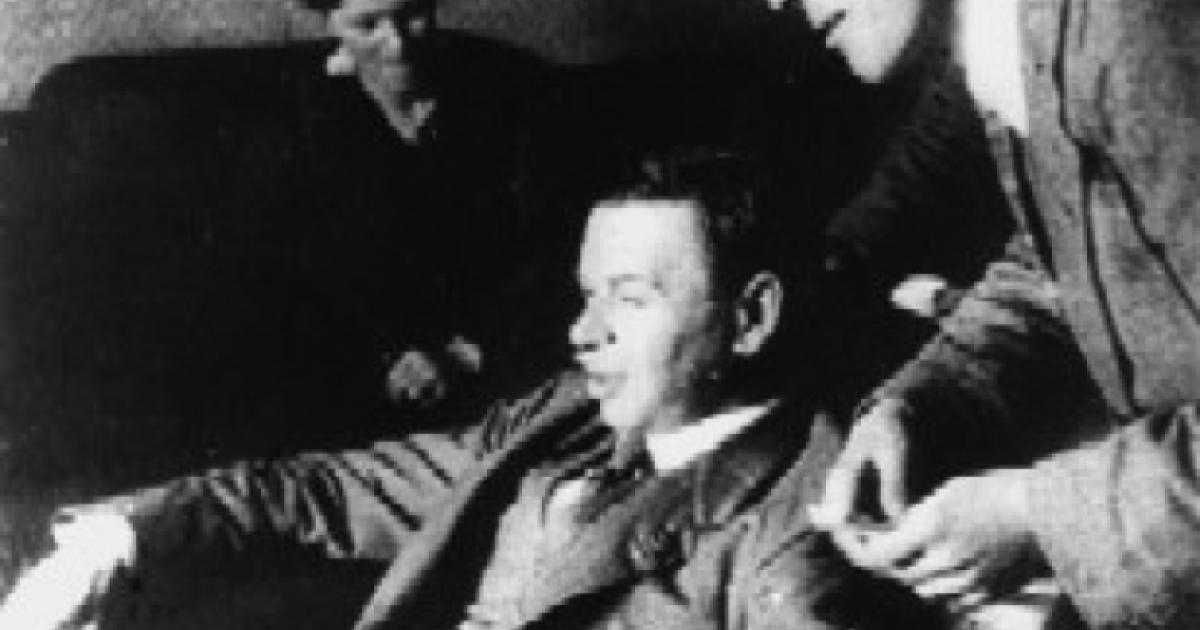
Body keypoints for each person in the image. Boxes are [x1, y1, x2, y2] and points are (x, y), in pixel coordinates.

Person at [0, 151, 937, 630]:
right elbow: (328, 490)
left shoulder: (801, 532)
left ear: (752, 317)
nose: (582, 333)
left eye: (629, 298)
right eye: (585, 296)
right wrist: (120, 539)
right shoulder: (564, 416)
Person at [769, 0, 1200, 627]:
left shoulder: (1133, 30)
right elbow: (1077, 265)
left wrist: (1040, 515)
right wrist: (924, 406)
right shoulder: (1021, 41)